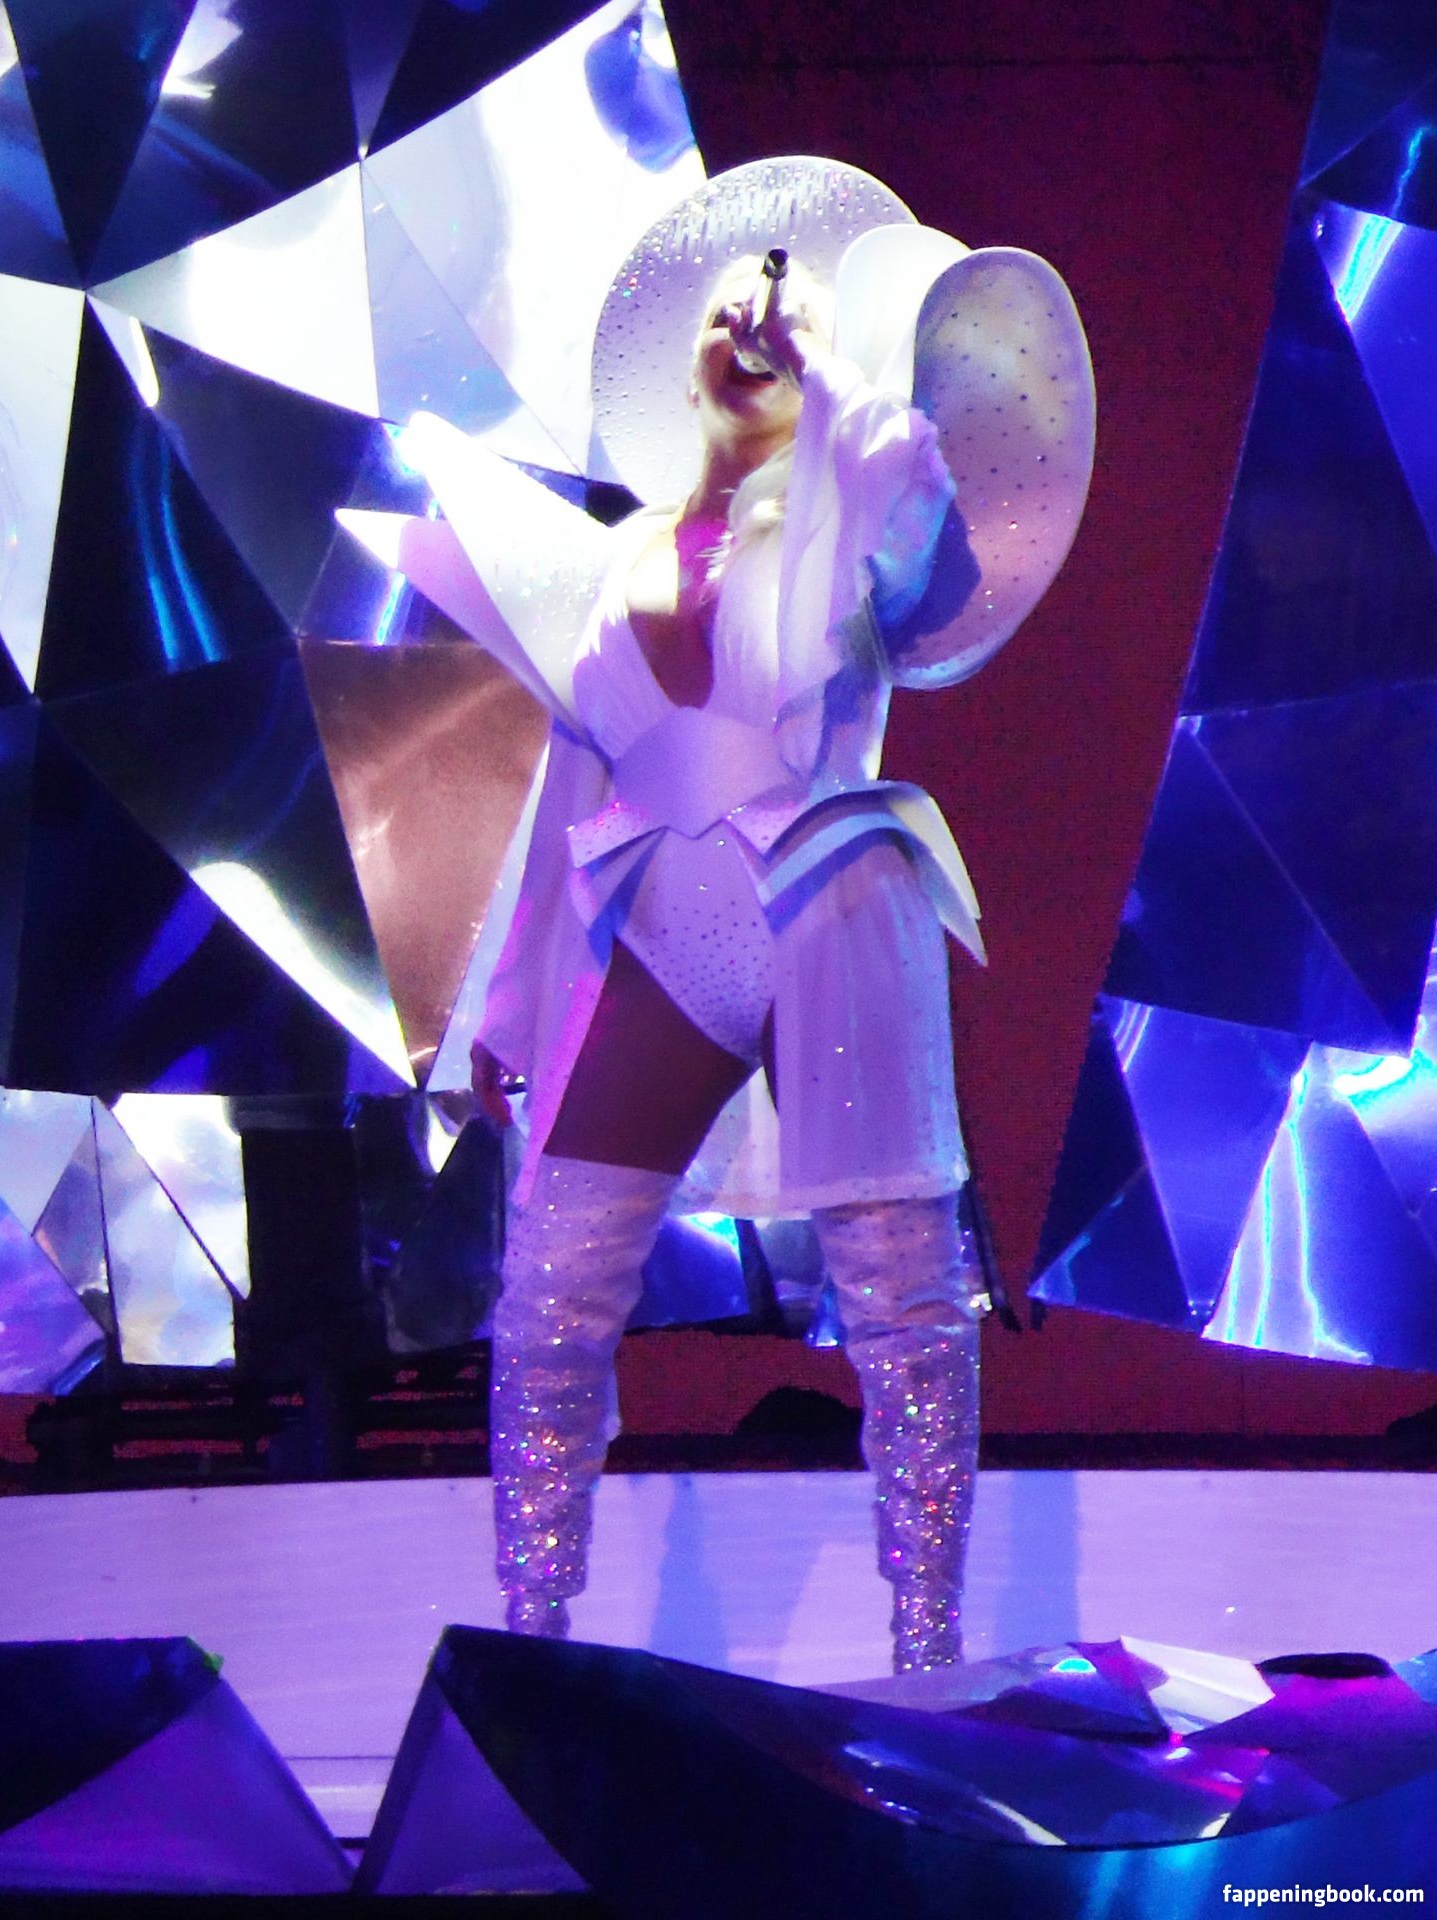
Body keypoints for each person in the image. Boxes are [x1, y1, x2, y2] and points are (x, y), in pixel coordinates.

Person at [384, 158, 1093, 1670]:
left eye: (780, 322)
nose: (748, 334)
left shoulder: (855, 517)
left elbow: (918, 503)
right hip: (659, 929)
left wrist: (831, 367)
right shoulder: (617, 558)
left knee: (902, 1302)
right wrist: (510, 1009)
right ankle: (534, 1636)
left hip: (829, 911)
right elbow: (568, 795)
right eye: (725, 317)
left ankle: (924, 1647)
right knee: (550, 1290)